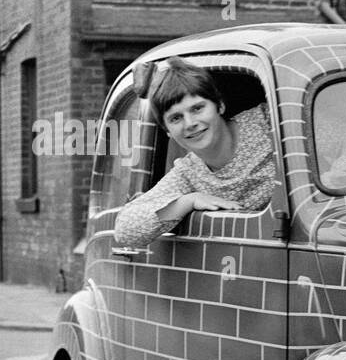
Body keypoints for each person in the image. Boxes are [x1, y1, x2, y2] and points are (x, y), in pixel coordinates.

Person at [112, 57, 277, 247]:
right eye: (176, 118)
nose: (190, 123)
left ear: (220, 106)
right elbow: (125, 230)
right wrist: (186, 203)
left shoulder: (266, 122)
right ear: (168, 132)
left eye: (197, 108)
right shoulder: (188, 175)